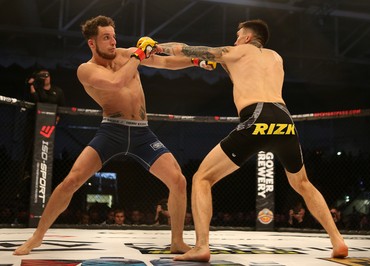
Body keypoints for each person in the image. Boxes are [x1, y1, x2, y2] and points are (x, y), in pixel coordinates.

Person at [13, 15, 214, 256]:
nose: (112, 42)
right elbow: (116, 82)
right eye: (106, 38)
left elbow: (166, 63)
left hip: (143, 132)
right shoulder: (86, 70)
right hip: (112, 130)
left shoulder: (125, 54)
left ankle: (177, 241)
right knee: (72, 181)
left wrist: (194, 61)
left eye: (113, 36)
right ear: (92, 43)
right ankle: (36, 236)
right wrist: (138, 56)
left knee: (178, 180)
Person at [155, 19, 349, 261]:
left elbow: (185, 49)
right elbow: (241, 70)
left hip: (256, 117)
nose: (235, 40)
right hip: (284, 119)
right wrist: (207, 62)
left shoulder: (237, 50)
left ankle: (202, 246)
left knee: (202, 178)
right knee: (302, 183)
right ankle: (338, 241)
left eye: (238, 36)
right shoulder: (276, 57)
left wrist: (156, 46)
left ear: (247, 37)